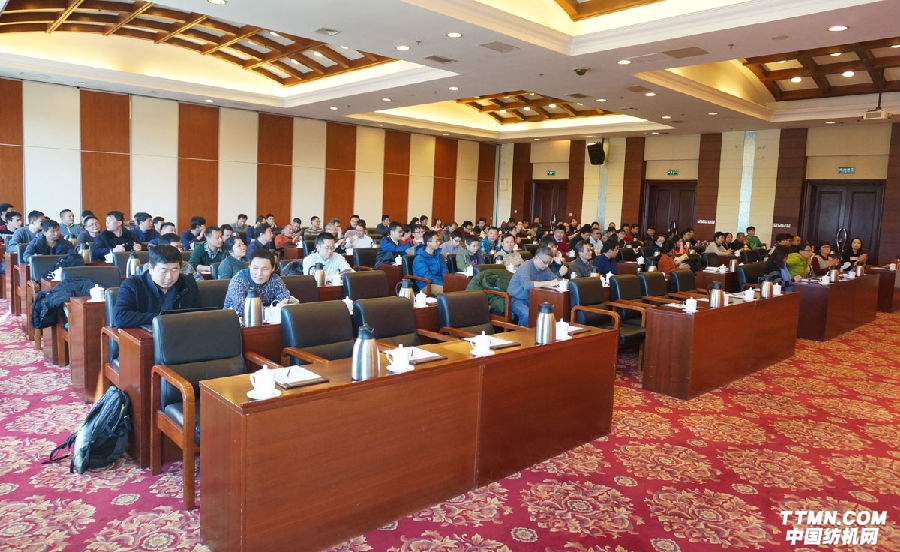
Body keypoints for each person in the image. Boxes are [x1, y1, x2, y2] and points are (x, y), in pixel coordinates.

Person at [113, 244, 200, 328]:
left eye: (174, 270)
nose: (169, 277)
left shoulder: (188, 282)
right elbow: (120, 318)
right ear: (151, 268)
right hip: (145, 335)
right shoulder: (132, 284)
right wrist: (164, 318)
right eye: (164, 271)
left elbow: (198, 314)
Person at [507, 245, 559, 326]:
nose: (546, 265)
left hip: (532, 298)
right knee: (527, 314)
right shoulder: (526, 266)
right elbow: (527, 285)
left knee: (548, 312)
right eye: (545, 262)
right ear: (537, 257)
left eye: (549, 263)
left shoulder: (545, 269)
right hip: (515, 299)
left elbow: (556, 280)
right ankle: (522, 333)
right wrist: (548, 283)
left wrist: (562, 282)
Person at [224, 248, 291, 310]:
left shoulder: (275, 279)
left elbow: (285, 300)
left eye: (265, 269)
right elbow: (241, 308)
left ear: (273, 268)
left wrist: (278, 306)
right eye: (255, 268)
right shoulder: (239, 280)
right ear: (249, 266)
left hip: (268, 318)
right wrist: (274, 308)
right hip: (234, 318)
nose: (259, 273)